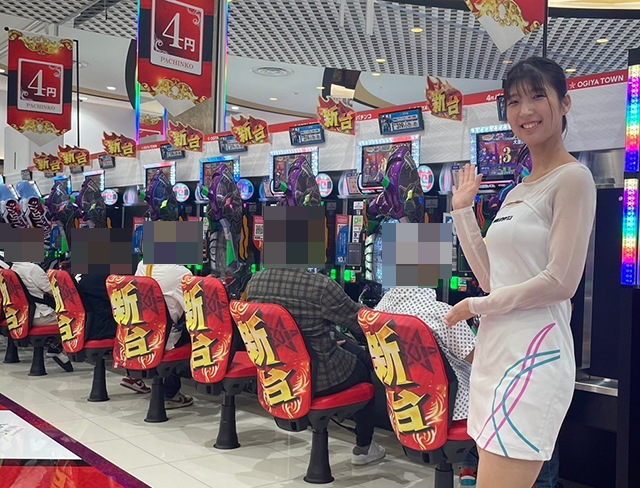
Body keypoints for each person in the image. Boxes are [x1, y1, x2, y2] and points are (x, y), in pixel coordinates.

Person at [443, 57, 596, 488]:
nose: (525, 111)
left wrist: (476, 306)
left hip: (535, 357)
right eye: (513, 101)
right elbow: (493, 279)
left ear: (564, 103)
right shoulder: (516, 191)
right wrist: (462, 213)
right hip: (494, 354)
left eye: (537, 96)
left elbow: (561, 281)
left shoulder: (574, 179)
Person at [245, 267, 386, 466]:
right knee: (363, 369)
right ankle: (365, 447)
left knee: (343, 341)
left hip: (277, 372)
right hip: (318, 376)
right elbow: (360, 320)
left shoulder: (256, 281)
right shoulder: (320, 285)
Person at [74, 273, 150, 394]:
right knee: (138, 324)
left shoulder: (85, 273)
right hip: (101, 328)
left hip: (84, 327)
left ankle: (134, 376)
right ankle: (135, 374)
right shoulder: (106, 277)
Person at [135, 260, 193, 409]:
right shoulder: (182, 273)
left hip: (140, 336)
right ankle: (170, 393)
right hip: (165, 339)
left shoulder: (142, 265)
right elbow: (195, 310)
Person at [10, 261, 73, 372]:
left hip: (22, 315)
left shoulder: (15, 267)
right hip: (40, 316)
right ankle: (58, 349)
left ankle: (55, 347)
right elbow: (54, 291)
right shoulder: (33, 269)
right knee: (75, 320)